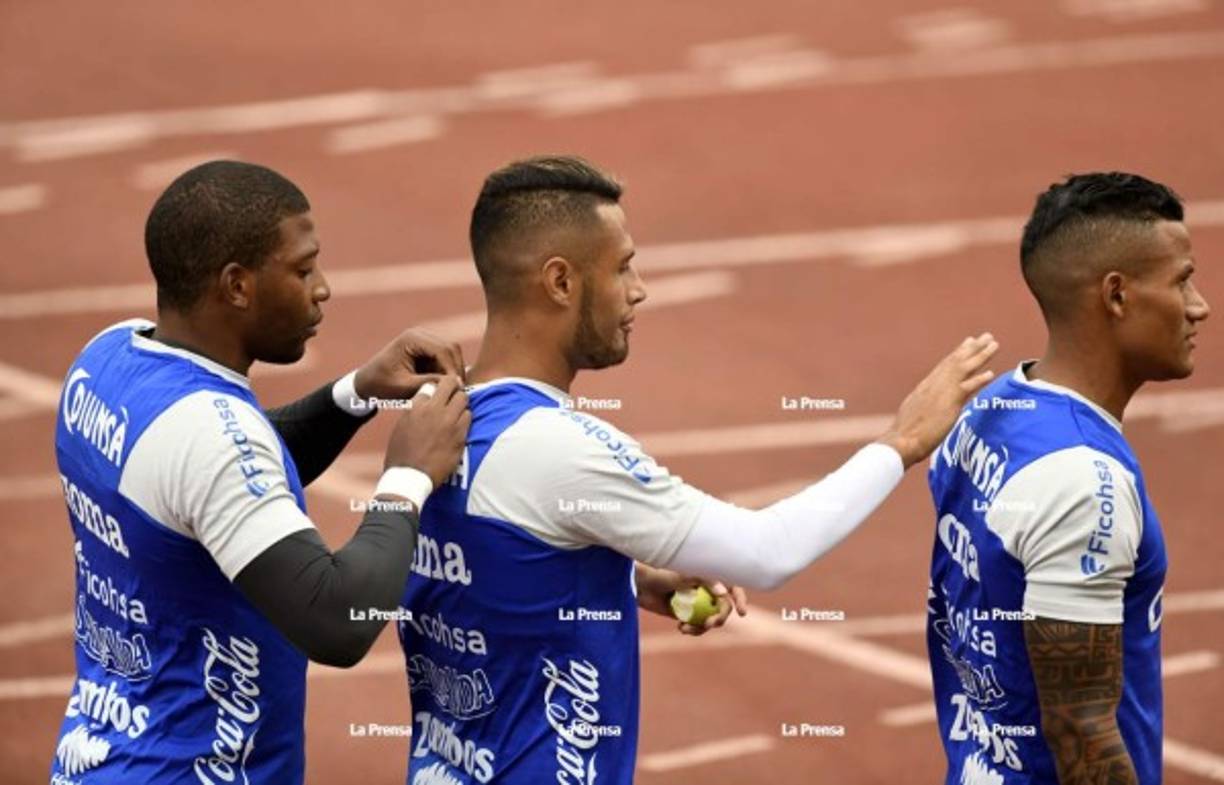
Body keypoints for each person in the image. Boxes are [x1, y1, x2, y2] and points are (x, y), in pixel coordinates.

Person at [394, 155, 999, 784]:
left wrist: (620, 580)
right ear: (560, 282)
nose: (639, 289)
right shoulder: (557, 447)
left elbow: (495, 575)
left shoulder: (443, 425)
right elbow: (767, 553)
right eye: (623, 266)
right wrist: (901, 441)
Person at [51, 160, 471, 785]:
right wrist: (407, 476)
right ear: (237, 285)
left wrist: (355, 394)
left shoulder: (107, 358)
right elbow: (337, 622)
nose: (322, 288)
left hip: (99, 757)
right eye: (303, 269)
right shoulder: (209, 436)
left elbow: (226, 484)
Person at [925, 172, 1210, 784]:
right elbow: (1078, 728)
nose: (1199, 306)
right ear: (1116, 296)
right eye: (1182, 280)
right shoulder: (1083, 482)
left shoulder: (994, 408)